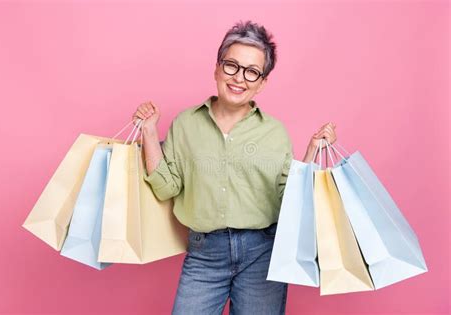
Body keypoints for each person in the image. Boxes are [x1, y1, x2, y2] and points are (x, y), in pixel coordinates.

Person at [132, 20, 337, 315]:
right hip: (204, 253)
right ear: (217, 68)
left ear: (262, 81)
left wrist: (312, 149)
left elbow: (291, 198)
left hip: (262, 253)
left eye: (252, 71)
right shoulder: (186, 124)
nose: (239, 78)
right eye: (232, 66)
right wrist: (150, 132)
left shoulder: (275, 133)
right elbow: (166, 188)